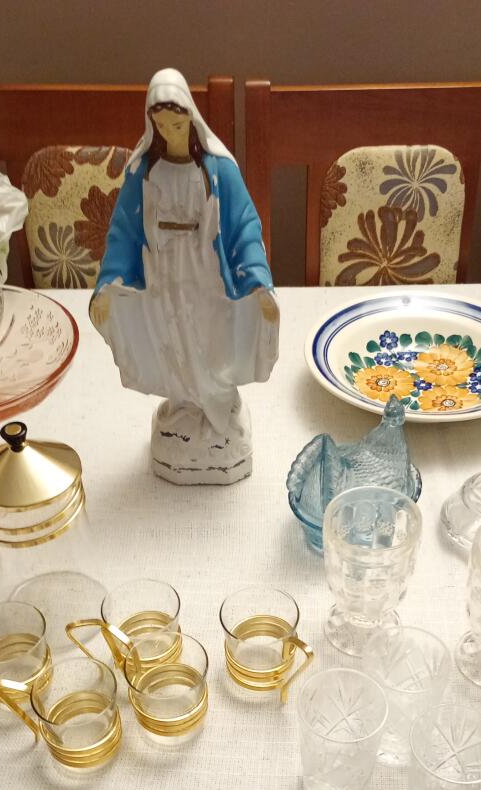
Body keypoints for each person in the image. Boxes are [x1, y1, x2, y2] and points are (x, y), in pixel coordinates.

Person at [89, 68, 279, 484]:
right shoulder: (144, 173)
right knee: (171, 339)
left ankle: (218, 410)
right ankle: (184, 406)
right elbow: (122, 232)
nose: (170, 133)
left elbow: (245, 225)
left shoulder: (218, 171)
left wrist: (257, 282)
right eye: (161, 127)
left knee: (210, 343)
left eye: (177, 125)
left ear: (192, 121)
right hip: (162, 278)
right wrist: (109, 284)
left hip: (206, 278)